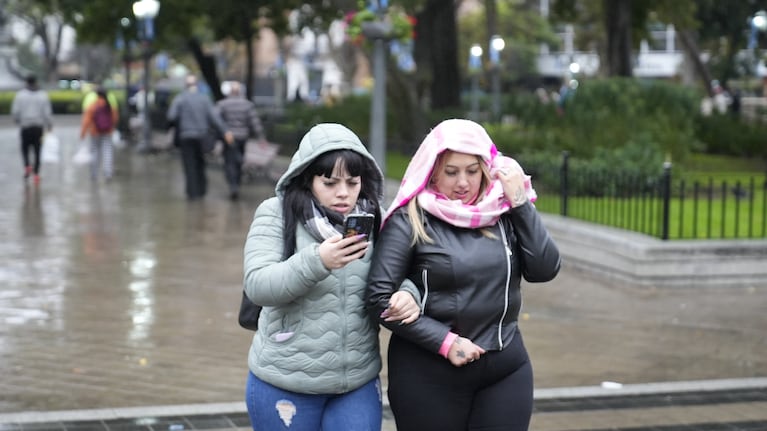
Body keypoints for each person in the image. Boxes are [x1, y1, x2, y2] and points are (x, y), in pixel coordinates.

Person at [366, 119, 562, 431]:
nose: (463, 182)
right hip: (429, 372)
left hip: (505, 368)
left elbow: (544, 269)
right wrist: (445, 342)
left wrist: (521, 204)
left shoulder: (503, 212)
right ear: (432, 171)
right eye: (451, 171)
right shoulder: (410, 219)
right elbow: (378, 299)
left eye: (472, 171)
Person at [242, 123, 420, 430]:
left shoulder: (375, 216)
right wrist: (317, 261)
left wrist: (408, 295)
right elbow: (258, 284)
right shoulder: (277, 213)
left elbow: (400, 274)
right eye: (330, 182)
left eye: (352, 182)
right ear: (307, 179)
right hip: (283, 381)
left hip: (356, 383)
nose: (343, 193)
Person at [166, 75, 233, 200]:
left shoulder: (180, 99)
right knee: (200, 163)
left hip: (186, 137)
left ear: (186, 85)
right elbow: (215, 118)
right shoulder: (204, 99)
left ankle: (192, 193)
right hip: (202, 137)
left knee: (189, 164)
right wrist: (225, 131)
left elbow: (171, 116)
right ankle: (201, 191)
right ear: (197, 85)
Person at [215, 81, 265, 200]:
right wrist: (261, 137)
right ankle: (236, 183)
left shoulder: (222, 104)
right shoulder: (247, 105)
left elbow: (215, 120)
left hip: (228, 137)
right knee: (239, 160)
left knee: (229, 161)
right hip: (242, 137)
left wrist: (221, 132)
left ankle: (233, 185)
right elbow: (254, 122)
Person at [11, 74, 53, 185]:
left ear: (26, 82)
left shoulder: (20, 95)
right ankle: (36, 174)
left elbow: (15, 111)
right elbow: (47, 112)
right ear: (36, 82)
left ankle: (27, 166)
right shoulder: (42, 95)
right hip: (38, 128)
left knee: (25, 149)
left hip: (25, 127)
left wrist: (17, 120)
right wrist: (49, 124)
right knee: (37, 151)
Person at [80, 89, 119, 181]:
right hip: (107, 132)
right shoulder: (110, 106)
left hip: (95, 132)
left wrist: (83, 133)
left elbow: (86, 121)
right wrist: (111, 127)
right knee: (107, 152)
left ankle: (94, 174)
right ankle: (108, 173)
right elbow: (115, 119)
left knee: (95, 152)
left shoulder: (93, 106)